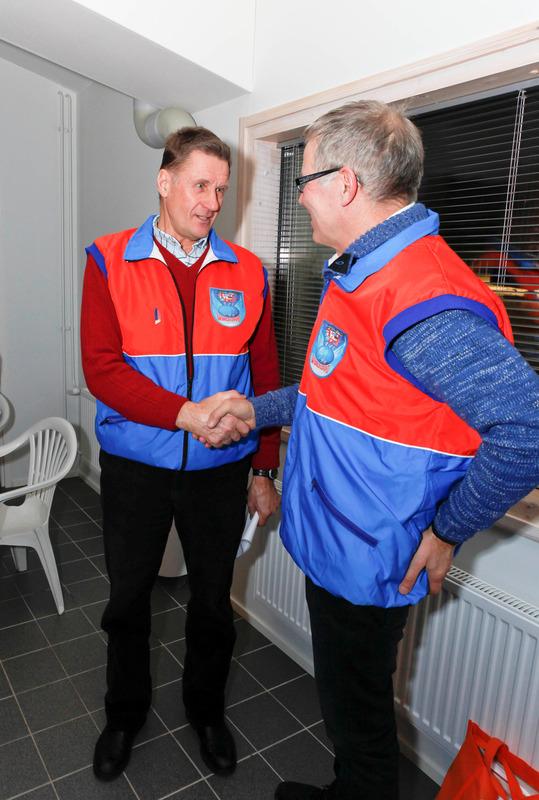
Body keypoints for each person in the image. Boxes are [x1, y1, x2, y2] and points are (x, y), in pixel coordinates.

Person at [201, 101, 539, 800]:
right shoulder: (361, 272)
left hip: (368, 558)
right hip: (337, 542)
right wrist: (257, 409)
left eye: (305, 179)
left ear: (345, 184)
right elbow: (333, 392)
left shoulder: (423, 298)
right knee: (345, 712)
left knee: (359, 726)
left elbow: (526, 432)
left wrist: (447, 530)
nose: (299, 196)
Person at [80, 126, 281, 782]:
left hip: (220, 472)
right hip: (137, 466)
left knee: (213, 603)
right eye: (200, 185)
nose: (211, 202)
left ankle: (206, 712)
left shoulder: (248, 271)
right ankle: (123, 714)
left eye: (221, 189)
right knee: (128, 599)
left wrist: (263, 466)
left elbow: (265, 374)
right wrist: (186, 414)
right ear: (164, 181)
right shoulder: (109, 259)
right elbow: (103, 369)